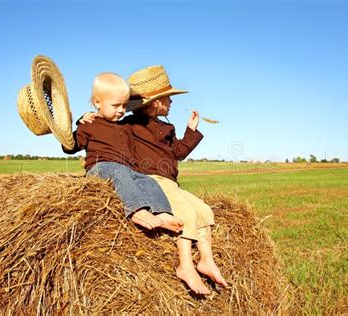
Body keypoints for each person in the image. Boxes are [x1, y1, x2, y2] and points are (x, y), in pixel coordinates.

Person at [81, 66, 227, 295]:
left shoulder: (168, 127)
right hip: (153, 179)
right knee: (186, 214)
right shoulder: (129, 124)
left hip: (170, 181)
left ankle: (206, 260)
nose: (172, 102)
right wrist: (85, 118)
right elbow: (103, 126)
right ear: (154, 102)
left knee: (204, 211)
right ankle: (185, 266)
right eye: (168, 98)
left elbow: (178, 152)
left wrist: (191, 131)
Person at [63, 72, 183, 233]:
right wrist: (78, 122)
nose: (121, 110)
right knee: (117, 170)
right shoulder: (89, 125)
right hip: (101, 168)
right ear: (97, 102)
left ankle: (163, 212)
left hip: (125, 169)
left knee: (148, 181)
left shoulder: (124, 126)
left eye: (124, 106)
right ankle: (136, 210)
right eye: (115, 105)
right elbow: (71, 147)